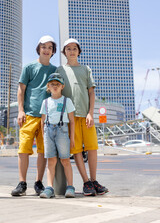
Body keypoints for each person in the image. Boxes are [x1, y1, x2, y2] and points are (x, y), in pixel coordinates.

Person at [57, 38, 108, 196]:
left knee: (92, 148)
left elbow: (91, 92)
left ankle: (94, 180)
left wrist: (90, 114)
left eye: (74, 48)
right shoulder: (60, 70)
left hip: (86, 117)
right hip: (70, 119)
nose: (71, 51)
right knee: (77, 149)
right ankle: (86, 181)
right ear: (64, 52)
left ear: (79, 51)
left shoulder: (86, 69)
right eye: (68, 48)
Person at [11, 35, 57, 196]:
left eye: (50, 47)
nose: (46, 50)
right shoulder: (29, 67)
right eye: (43, 46)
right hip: (29, 115)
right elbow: (21, 90)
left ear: (53, 52)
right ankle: (22, 183)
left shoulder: (54, 70)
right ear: (38, 49)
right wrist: (21, 110)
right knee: (23, 149)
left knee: (43, 151)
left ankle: (38, 183)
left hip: (47, 118)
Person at [39, 72, 75, 198]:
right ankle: (49, 188)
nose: (55, 86)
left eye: (57, 84)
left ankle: (70, 187)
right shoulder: (46, 102)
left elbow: (72, 121)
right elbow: (42, 120)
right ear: (48, 87)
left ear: (62, 86)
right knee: (51, 160)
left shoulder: (67, 101)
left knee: (65, 160)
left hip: (62, 130)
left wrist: (72, 138)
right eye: (52, 84)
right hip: (48, 131)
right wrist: (43, 137)